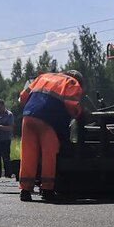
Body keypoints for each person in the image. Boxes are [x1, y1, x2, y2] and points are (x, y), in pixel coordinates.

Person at [17, 70, 84, 202]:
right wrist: (81, 114)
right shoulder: (71, 82)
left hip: (28, 116)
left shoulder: (43, 77)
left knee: (28, 154)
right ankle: (47, 190)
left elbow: (23, 97)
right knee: (49, 153)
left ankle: (25, 190)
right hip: (49, 119)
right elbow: (73, 107)